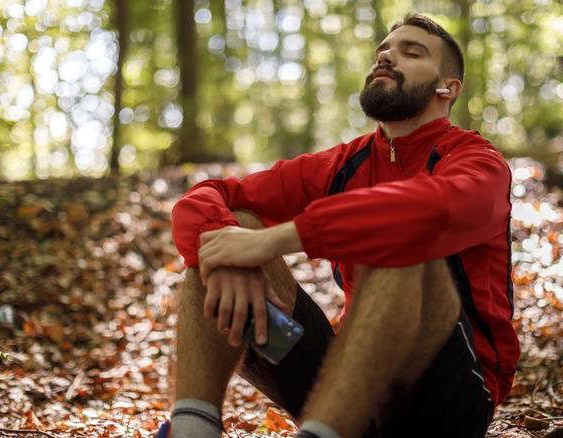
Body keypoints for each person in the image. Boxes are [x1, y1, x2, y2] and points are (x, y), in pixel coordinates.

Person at [166, 12, 519, 438]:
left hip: (445, 400)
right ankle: (191, 428)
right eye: (383, 52)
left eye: (411, 52)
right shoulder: (343, 164)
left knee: (403, 243)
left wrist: (278, 239)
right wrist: (228, 257)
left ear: (449, 88)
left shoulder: (476, 159)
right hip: (343, 392)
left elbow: (434, 211)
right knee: (227, 229)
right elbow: (207, 197)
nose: (386, 58)